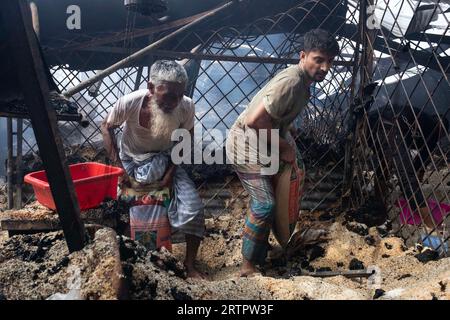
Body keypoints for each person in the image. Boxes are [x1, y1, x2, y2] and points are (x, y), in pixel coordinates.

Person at [226, 29, 340, 277]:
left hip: (261, 145)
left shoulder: (303, 84)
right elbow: (255, 120)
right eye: (318, 59)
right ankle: (247, 266)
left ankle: (260, 248)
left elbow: (275, 115)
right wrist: (285, 147)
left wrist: (288, 132)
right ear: (303, 55)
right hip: (244, 146)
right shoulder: (292, 82)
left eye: (329, 61)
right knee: (265, 203)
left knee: (271, 198)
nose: (324, 67)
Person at [101, 60, 205, 279]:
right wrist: (120, 172)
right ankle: (136, 259)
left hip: (166, 160)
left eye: (178, 95)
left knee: (194, 208)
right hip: (132, 161)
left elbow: (186, 139)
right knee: (128, 204)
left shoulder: (186, 106)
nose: (173, 102)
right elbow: (107, 127)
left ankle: (189, 265)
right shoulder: (130, 102)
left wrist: (169, 174)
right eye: (166, 95)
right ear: (150, 88)